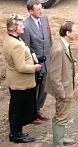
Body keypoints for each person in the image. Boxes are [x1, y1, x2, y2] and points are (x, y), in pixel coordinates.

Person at [3, 13, 42, 143]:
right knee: (18, 109)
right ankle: (16, 135)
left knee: (16, 107)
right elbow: (21, 67)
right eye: (20, 25)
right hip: (20, 82)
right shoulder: (16, 45)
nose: (23, 27)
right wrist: (34, 68)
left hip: (14, 80)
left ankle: (16, 132)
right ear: (14, 28)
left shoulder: (9, 39)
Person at [45, 21, 77, 147]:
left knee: (61, 114)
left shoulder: (64, 44)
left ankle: (60, 138)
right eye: (74, 30)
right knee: (62, 115)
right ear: (67, 33)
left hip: (66, 85)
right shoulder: (58, 49)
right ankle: (58, 143)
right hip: (63, 89)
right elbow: (54, 75)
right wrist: (61, 93)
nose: (76, 32)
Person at [20, 0, 52, 125]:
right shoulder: (26, 26)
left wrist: (52, 55)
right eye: (38, 9)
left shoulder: (45, 20)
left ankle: (37, 109)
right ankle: (31, 113)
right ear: (30, 11)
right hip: (36, 64)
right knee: (35, 89)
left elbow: (49, 39)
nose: (41, 11)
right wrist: (33, 65)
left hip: (47, 60)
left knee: (44, 88)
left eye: (41, 8)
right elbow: (26, 49)